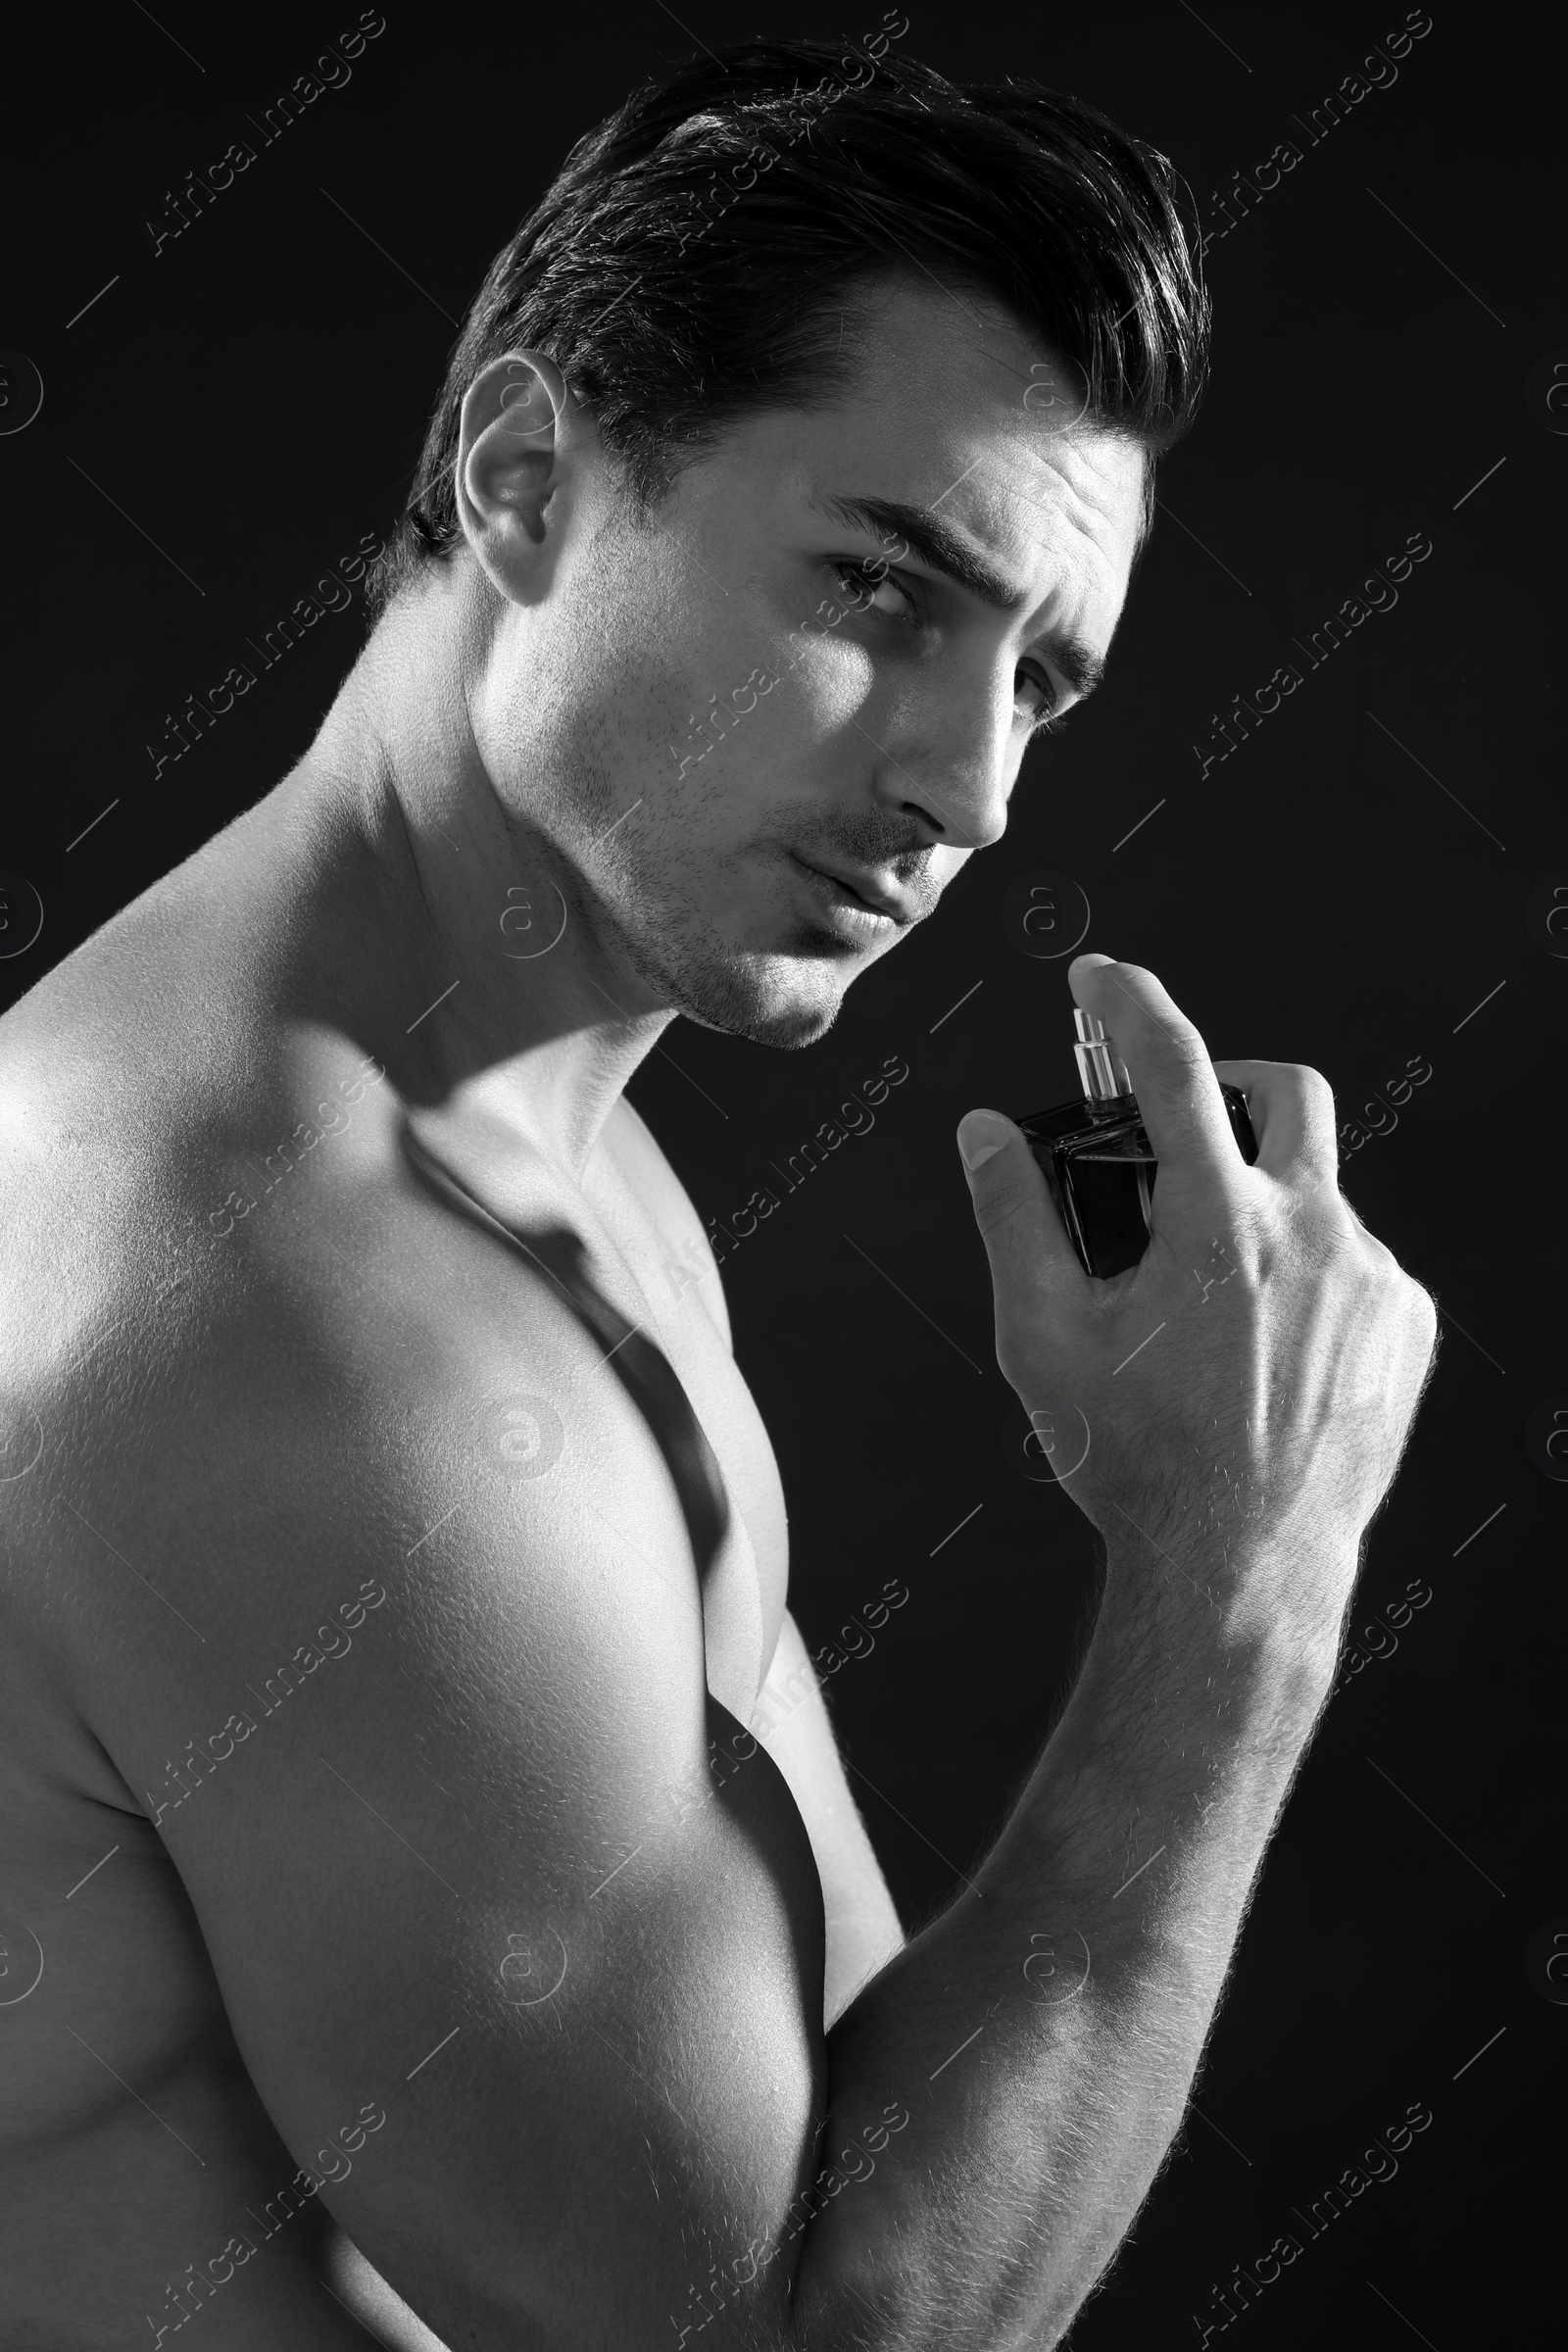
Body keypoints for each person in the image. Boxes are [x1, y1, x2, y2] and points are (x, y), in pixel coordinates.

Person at [0, 35, 1436, 2350]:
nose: (968, 788)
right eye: (879, 581)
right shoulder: (286, 1306)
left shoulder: (529, 1152)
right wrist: (1241, 1579)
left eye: (1041, 681)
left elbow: (846, 2145)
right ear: (526, 477)